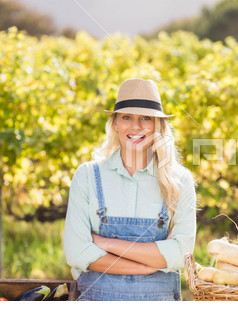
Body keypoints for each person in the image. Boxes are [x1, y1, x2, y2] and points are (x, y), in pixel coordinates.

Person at [64, 78, 197, 301]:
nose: (136, 126)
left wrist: (106, 243)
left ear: (158, 125)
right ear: (115, 123)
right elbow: (77, 253)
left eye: (146, 118)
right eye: (127, 117)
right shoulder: (87, 176)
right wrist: (147, 266)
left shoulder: (179, 180)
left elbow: (179, 256)